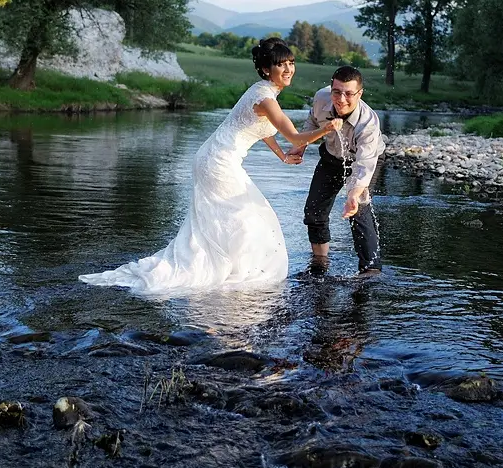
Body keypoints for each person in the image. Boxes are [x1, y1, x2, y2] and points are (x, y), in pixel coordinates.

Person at [79, 38, 342, 295]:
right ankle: (229, 273)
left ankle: (230, 266)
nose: (288, 69)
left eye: (291, 63)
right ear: (265, 69)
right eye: (280, 64)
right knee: (249, 218)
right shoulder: (265, 99)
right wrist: (326, 129)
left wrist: (282, 156)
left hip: (214, 158)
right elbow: (295, 137)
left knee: (235, 219)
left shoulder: (262, 92)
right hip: (219, 163)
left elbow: (262, 130)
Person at [285, 65, 386, 279]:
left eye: (349, 94)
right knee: (314, 210)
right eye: (336, 92)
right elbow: (313, 121)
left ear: (359, 94)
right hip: (331, 157)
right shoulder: (321, 98)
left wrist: (353, 194)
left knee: (357, 208)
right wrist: (301, 146)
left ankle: (370, 270)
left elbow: (364, 165)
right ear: (331, 89)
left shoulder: (368, 124)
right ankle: (319, 263)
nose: (341, 99)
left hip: (363, 161)